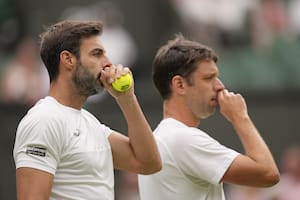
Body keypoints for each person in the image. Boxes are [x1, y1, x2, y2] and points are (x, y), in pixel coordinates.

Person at [13, 20, 161, 200]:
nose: (108, 63)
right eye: (97, 54)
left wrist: (126, 98)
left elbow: (149, 163)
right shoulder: (43, 120)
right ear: (68, 59)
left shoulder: (90, 123)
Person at [138, 34, 280, 200]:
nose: (220, 86)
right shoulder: (182, 138)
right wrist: (240, 117)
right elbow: (268, 173)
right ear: (180, 85)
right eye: (208, 78)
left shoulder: (163, 137)